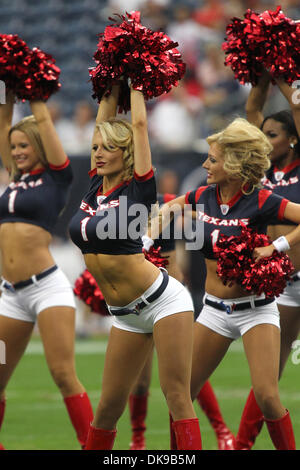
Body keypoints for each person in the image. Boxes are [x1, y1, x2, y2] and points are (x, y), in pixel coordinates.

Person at [148, 117, 300, 450]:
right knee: (181, 393)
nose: (205, 164)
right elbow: (170, 207)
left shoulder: (261, 200)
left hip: (256, 310)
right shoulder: (203, 195)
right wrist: (148, 238)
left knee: (267, 396)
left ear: (233, 164)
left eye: (213, 159)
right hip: (214, 312)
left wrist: (278, 246)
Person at [68, 82, 202, 450]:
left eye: (108, 147)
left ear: (125, 153)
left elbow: (140, 127)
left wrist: (137, 84)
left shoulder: (137, 189)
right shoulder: (94, 189)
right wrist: (110, 87)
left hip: (164, 302)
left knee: (176, 396)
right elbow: (101, 123)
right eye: (95, 147)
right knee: (108, 408)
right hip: (124, 313)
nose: (98, 152)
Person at [0, 91, 94, 450]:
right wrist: (6, 87)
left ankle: (93, 447)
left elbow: (42, 124)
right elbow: (2, 122)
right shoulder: (15, 176)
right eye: (14, 146)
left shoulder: (56, 178)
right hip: (11, 296)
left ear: (40, 144)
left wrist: (34, 91)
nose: (19, 151)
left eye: (25, 145)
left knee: (62, 374)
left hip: (46, 289)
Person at [129, 193, 235, 450]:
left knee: (186, 373)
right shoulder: (115, 210)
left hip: (170, 298)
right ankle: (138, 440)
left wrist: (195, 218)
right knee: (140, 379)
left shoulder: (163, 201)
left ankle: (222, 431)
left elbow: (199, 215)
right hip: (137, 299)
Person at [235, 72, 300, 449]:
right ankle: (242, 444)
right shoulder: (260, 169)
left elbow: (296, 105)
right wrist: (261, 73)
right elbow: (252, 109)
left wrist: (283, 77)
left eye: (272, 135)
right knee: (268, 376)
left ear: (292, 138)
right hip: (286, 283)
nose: (265, 140)